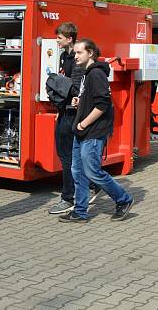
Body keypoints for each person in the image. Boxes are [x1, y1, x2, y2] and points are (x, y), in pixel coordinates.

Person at [59, 38, 133, 223]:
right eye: (74, 52)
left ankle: (123, 200)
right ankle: (80, 211)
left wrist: (83, 124)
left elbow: (102, 105)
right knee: (78, 172)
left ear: (90, 53)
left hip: (92, 132)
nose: (75, 56)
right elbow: (93, 100)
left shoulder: (96, 74)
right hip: (81, 131)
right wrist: (80, 101)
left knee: (92, 172)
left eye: (79, 52)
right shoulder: (87, 73)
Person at [48, 22, 100, 215]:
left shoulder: (76, 60)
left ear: (69, 39)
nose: (56, 40)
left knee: (67, 155)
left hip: (73, 113)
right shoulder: (64, 56)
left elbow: (77, 87)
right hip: (66, 111)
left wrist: (58, 85)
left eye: (59, 38)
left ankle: (68, 197)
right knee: (70, 155)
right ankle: (94, 183)